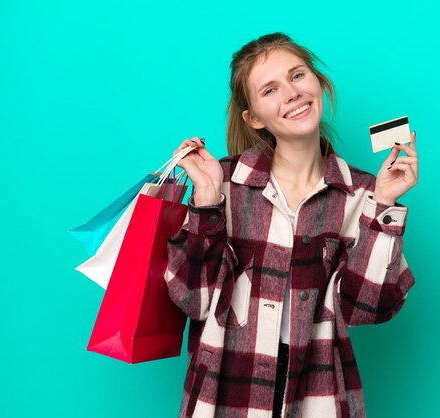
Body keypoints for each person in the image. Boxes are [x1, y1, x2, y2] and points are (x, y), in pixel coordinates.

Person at [164, 32, 418, 418]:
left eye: (297, 76)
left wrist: (383, 205)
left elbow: (367, 309)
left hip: (318, 396)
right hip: (225, 394)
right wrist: (206, 199)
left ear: (318, 83)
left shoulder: (363, 194)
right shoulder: (222, 185)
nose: (291, 93)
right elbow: (192, 300)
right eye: (270, 89)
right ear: (254, 118)